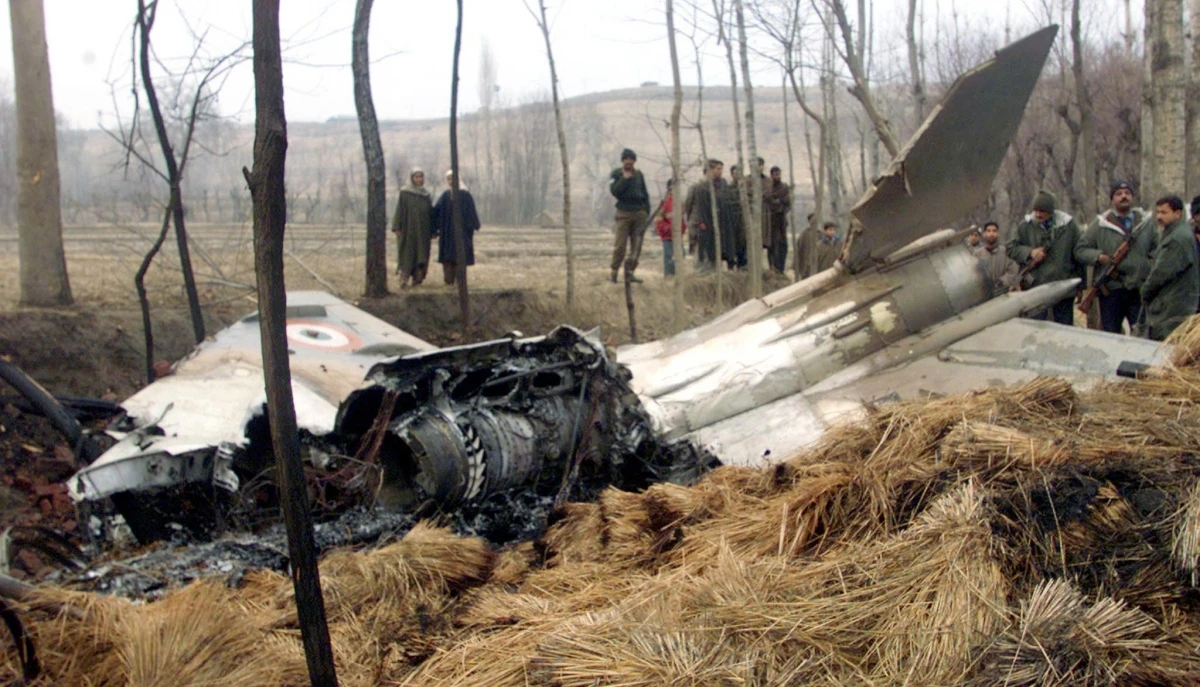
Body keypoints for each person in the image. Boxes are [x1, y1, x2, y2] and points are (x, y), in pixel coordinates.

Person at [1074, 181, 1156, 334]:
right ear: (1112, 200)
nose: (1123, 196)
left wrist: (1148, 265)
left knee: (1141, 333)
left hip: (1139, 288)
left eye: (1127, 193)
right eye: (1119, 194)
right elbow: (1080, 250)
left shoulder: (1145, 224)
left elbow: (1157, 249)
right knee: (1110, 334)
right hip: (1112, 289)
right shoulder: (1101, 224)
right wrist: (1100, 257)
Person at [1006, 190, 1083, 325]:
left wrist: (1081, 284)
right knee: (1036, 328)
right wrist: (1030, 253)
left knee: (1064, 329)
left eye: (1042, 211)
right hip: (1036, 288)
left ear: (1051, 211)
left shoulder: (1068, 226)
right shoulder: (1025, 226)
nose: (1038, 214)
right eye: (1036, 210)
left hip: (1063, 286)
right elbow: (1011, 248)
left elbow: (1080, 251)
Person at [1141, 195, 1199, 341]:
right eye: (1158, 212)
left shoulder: (1177, 239)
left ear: (1178, 213)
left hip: (1173, 309)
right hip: (1173, 305)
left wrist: (1145, 292)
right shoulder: (1174, 233)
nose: (1159, 216)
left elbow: (1161, 273)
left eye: (1164, 212)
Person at [608, 148, 651, 283]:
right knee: (620, 245)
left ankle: (630, 273)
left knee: (636, 246)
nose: (629, 161)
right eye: (626, 159)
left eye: (631, 159)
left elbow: (645, 194)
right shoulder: (616, 174)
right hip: (624, 213)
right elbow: (614, 191)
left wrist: (646, 211)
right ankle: (614, 273)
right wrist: (624, 179)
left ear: (634, 161)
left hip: (639, 214)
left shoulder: (639, 175)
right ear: (622, 160)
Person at [433, 170, 482, 286]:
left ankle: (460, 283)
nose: (451, 181)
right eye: (449, 179)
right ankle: (448, 282)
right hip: (447, 234)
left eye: (453, 179)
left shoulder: (465, 195)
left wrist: (473, 225)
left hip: (462, 233)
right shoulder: (445, 196)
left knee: (460, 257)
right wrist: (434, 229)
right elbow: (436, 212)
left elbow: (471, 212)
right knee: (448, 258)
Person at [391, 168, 433, 289]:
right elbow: (400, 209)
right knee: (407, 254)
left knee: (421, 254)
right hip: (408, 229)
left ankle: (418, 279)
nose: (419, 179)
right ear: (412, 178)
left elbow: (430, 213)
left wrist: (433, 230)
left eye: (421, 177)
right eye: (416, 177)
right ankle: (404, 279)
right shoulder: (405, 193)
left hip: (423, 231)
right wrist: (397, 226)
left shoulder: (426, 195)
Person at [685, 159, 724, 273]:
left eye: (721, 169)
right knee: (701, 255)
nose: (721, 172)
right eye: (718, 169)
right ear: (709, 170)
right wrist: (697, 222)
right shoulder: (696, 188)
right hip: (700, 226)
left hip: (714, 227)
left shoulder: (720, 187)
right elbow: (689, 206)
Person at [972, 221, 1018, 297]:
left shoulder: (1006, 252)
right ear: (984, 234)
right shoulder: (976, 255)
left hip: (1003, 294)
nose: (991, 234)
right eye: (988, 231)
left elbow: (1013, 272)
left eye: (994, 231)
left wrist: (1001, 281)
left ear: (998, 234)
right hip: (983, 295)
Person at [763, 165, 791, 275]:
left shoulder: (784, 187)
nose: (777, 176)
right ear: (771, 175)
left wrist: (780, 205)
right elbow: (768, 200)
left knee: (783, 244)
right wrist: (778, 202)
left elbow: (788, 202)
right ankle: (773, 267)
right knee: (772, 246)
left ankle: (781, 269)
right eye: (775, 175)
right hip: (770, 221)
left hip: (781, 220)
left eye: (779, 174)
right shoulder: (768, 188)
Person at [719, 164, 747, 269]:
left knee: (743, 250)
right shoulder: (728, 190)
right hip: (731, 223)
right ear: (732, 175)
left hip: (743, 224)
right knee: (731, 248)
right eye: (736, 174)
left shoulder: (745, 189)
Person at [654, 179, 681, 277]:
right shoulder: (664, 203)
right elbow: (658, 220)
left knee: (681, 257)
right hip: (668, 237)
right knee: (669, 259)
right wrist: (669, 229)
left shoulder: (679, 202)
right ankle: (669, 278)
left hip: (678, 237)